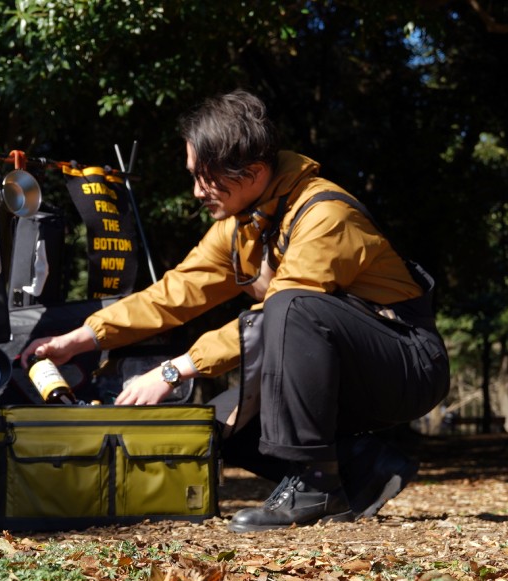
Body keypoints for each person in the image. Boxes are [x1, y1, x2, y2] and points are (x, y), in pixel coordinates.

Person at [25, 89, 450, 532]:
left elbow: (277, 316)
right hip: (338, 367)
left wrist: (172, 372)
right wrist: (80, 339)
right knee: (216, 428)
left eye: (205, 178)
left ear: (253, 172)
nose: (196, 191)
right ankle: (364, 469)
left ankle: (313, 483)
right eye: (193, 176)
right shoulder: (241, 225)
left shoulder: (325, 215)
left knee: (292, 306)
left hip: (407, 366)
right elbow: (176, 292)